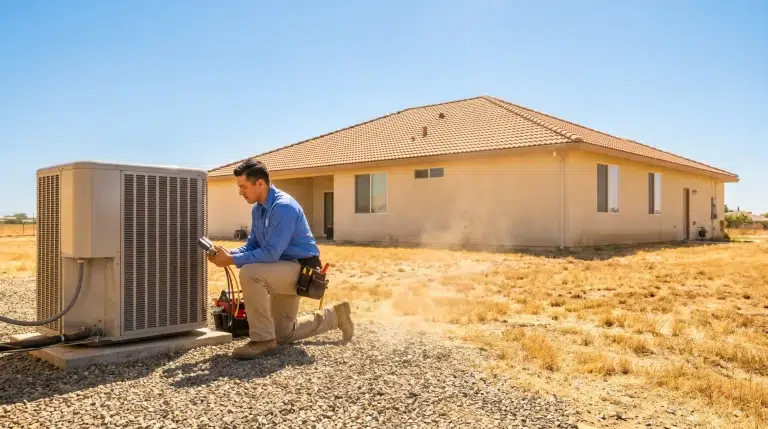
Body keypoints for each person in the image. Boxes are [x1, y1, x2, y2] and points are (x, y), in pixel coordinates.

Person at [207, 158, 353, 360]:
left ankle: (262, 341)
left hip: (301, 271)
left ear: (260, 183)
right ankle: (336, 316)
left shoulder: (283, 207)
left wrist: (231, 260)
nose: (240, 192)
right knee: (283, 334)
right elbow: (253, 246)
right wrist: (228, 254)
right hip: (281, 268)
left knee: (250, 273)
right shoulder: (258, 209)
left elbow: (270, 253)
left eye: (243, 187)